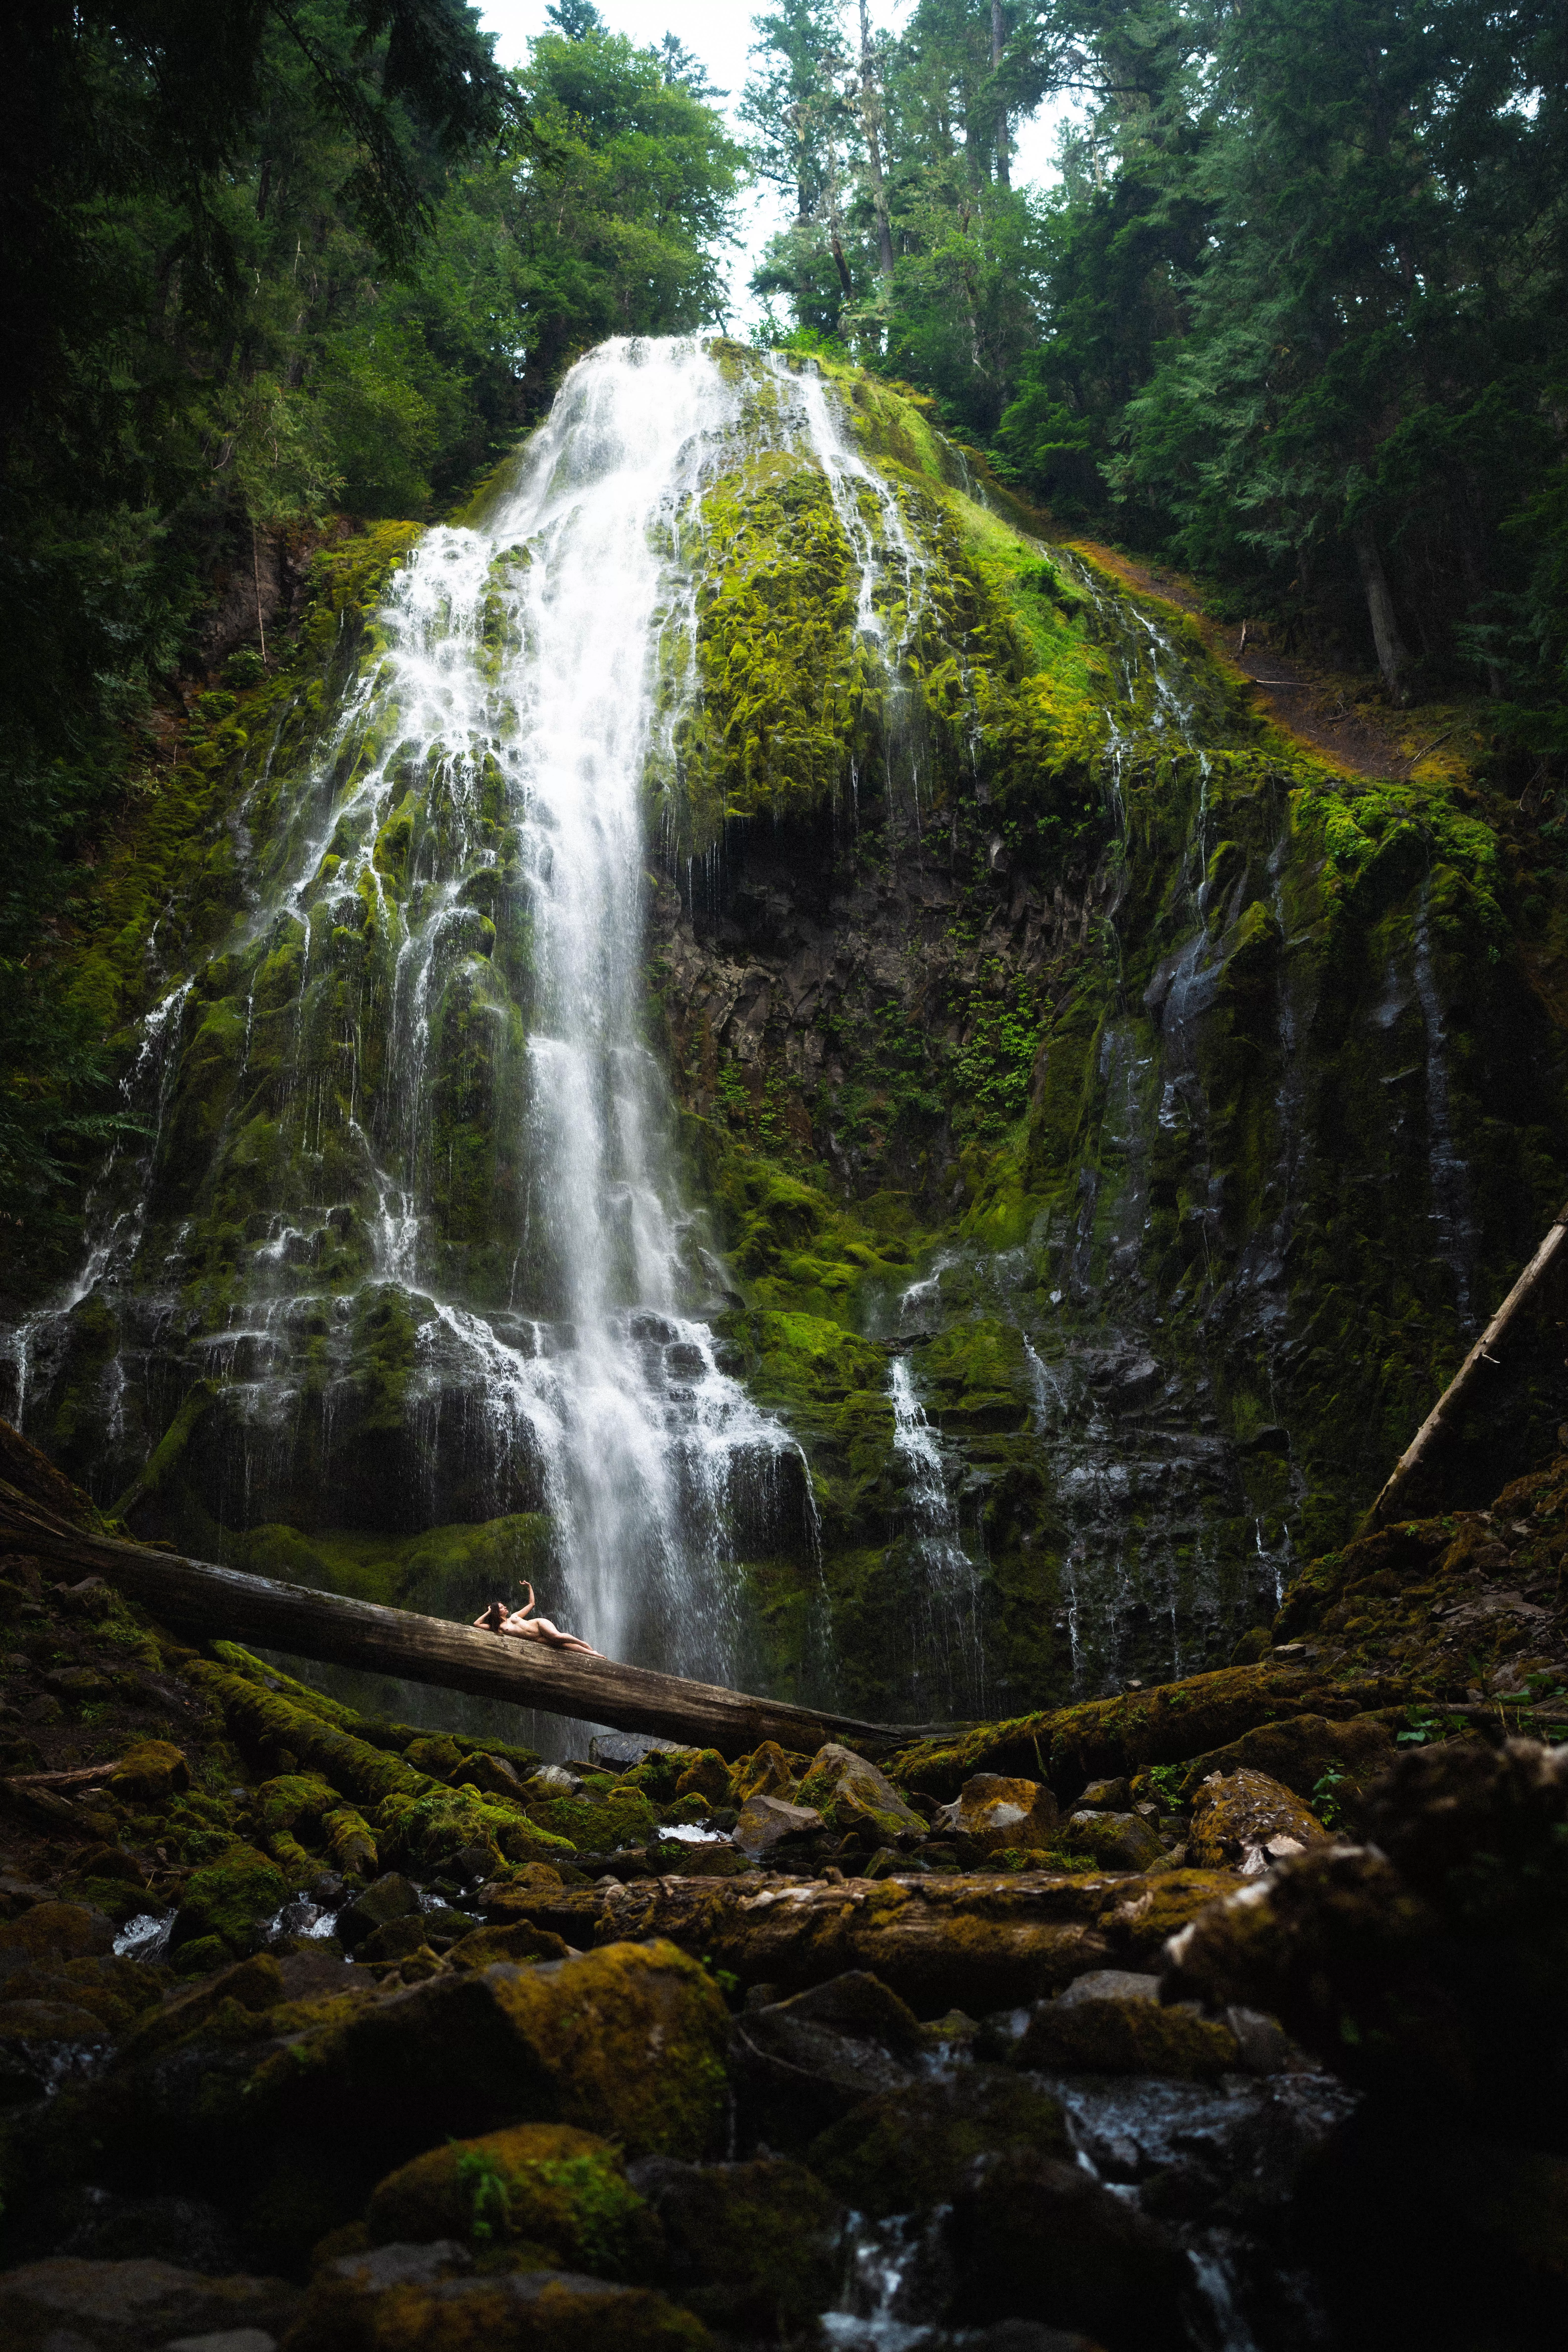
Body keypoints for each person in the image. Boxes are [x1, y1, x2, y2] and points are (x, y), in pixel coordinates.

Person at [472, 1581, 601, 1656]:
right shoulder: (498, 1629)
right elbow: (477, 1624)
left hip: (539, 1625)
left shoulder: (515, 1616)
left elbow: (531, 1604)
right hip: (537, 1639)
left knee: (557, 1637)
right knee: (565, 1646)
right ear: (496, 1612)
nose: (505, 1607)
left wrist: (530, 1587)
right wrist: (489, 1612)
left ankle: (583, 1643)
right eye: (501, 1607)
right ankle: (593, 1654)